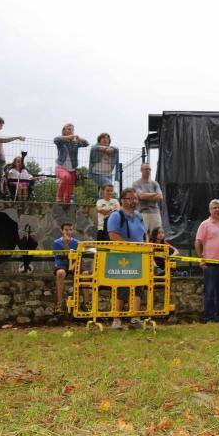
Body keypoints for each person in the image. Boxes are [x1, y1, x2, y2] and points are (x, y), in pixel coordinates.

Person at [107, 188, 148, 328]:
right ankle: (116, 320)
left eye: (135, 198)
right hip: (122, 258)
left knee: (139, 287)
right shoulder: (116, 216)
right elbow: (113, 235)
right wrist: (130, 247)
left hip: (138, 257)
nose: (133, 201)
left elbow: (144, 235)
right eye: (130, 198)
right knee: (122, 288)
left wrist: (146, 247)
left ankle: (135, 318)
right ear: (122, 200)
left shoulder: (139, 216)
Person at [195, 199, 219, 323]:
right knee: (209, 291)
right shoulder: (205, 224)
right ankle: (208, 317)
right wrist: (202, 259)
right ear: (210, 210)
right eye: (214, 208)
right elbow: (198, 242)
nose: (217, 210)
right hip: (210, 264)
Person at [54, 123, 89, 203]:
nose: (71, 131)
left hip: (72, 169)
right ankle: (58, 197)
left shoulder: (75, 142)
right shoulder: (61, 141)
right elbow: (55, 139)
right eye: (69, 129)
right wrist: (67, 137)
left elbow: (86, 144)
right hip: (60, 167)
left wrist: (80, 139)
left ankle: (67, 204)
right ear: (64, 131)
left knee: (69, 190)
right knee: (66, 177)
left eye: (72, 130)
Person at [52, 222, 80, 314]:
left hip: (73, 264)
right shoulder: (56, 243)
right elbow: (64, 256)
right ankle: (60, 303)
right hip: (61, 264)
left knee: (85, 274)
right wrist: (66, 244)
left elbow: (78, 257)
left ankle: (86, 303)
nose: (68, 232)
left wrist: (73, 266)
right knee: (60, 273)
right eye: (66, 230)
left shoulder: (77, 243)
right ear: (62, 231)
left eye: (70, 230)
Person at [132, 162, 164, 235]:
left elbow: (160, 197)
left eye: (149, 169)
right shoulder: (136, 183)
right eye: (146, 169)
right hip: (142, 213)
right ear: (141, 170)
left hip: (155, 212)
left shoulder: (155, 183)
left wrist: (146, 196)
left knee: (157, 235)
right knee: (143, 235)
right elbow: (141, 196)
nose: (148, 171)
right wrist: (154, 194)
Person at [88, 133, 119, 198]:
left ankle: (101, 204)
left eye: (107, 138)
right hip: (96, 173)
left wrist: (112, 148)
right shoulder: (95, 149)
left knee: (103, 190)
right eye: (103, 138)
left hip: (108, 174)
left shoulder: (113, 150)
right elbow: (94, 148)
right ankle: (104, 204)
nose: (105, 140)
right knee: (108, 185)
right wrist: (104, 149)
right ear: (99, 140)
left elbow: (117, 149)